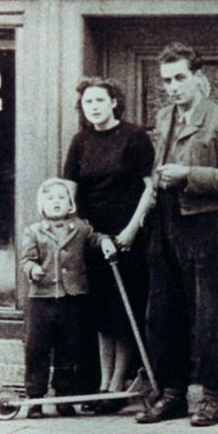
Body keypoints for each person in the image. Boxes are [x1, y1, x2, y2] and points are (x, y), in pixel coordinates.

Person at [134, 42, 218, 427]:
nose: (173, 87)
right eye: (167, 80)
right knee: (163, 313)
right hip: (165, 223)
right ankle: (172, 395)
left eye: (180, 78)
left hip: (207, 226)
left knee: (210, 316)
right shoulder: (165, 116)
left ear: (199, 78)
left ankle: (214, 398)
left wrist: (188, 175)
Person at [64, 78, 156, 413]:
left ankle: (118, 386)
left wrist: (130, 231)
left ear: (114, 102)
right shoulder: (80, 141)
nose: (94, 107)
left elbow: (150, 187)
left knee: (124, 309)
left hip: (127, 236)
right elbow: (70, 189)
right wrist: (85, 232)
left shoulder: (134, 137)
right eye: (88, 102)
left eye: (100, 100)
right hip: (93, 237)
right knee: (102, 312)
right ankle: (103, 384)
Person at [19, 178, 116, 418]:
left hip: (72, 298)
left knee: (69, 348)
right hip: (41, 299)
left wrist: (105, 241)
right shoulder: (33, 231)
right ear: (42, 205)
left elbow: (95, 238)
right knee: (37, 349)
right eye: (50, 198)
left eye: (62, 198)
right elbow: (26, 260)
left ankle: (64, 397)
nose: (56, 202)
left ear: (71, 204)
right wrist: (33, 269)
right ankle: (35, 398)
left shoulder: (80, 228)